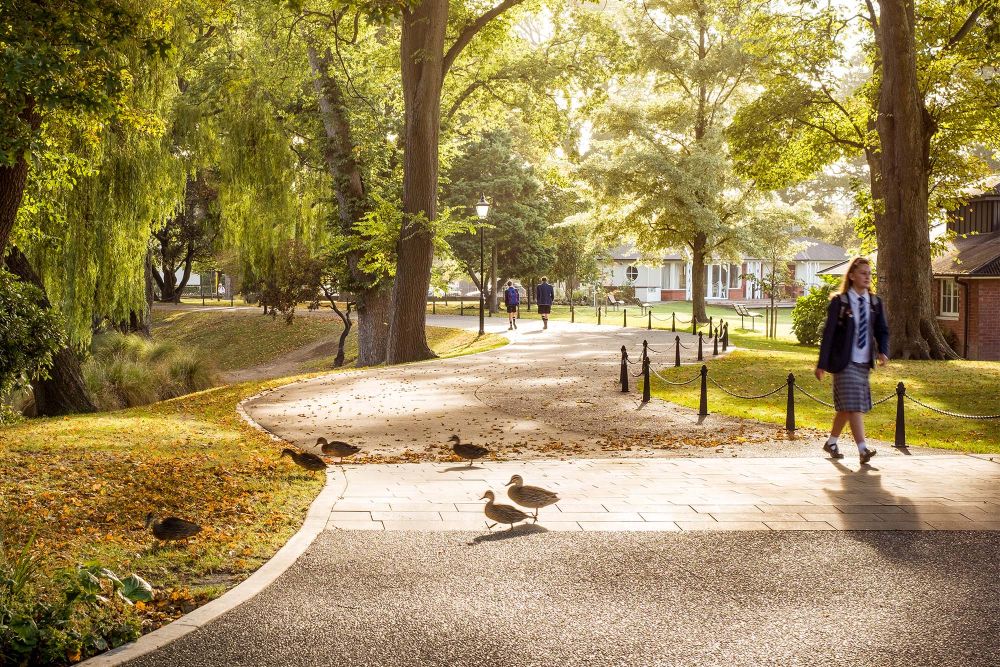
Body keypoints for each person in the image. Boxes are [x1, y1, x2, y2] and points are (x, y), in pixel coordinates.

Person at [815, 257, 889, 465]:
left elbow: (882, 330)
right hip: (844, 362)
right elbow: (828, 334)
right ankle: (863, 449)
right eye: (863, 273)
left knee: (847, 407)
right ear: (852, 275)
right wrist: (822, 364)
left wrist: (883, 351)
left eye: (869, 273)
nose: (867, 277)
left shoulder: (875, 302)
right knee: (854, 405)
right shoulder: (840, 302)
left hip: (863, 363)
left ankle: (831, 442)